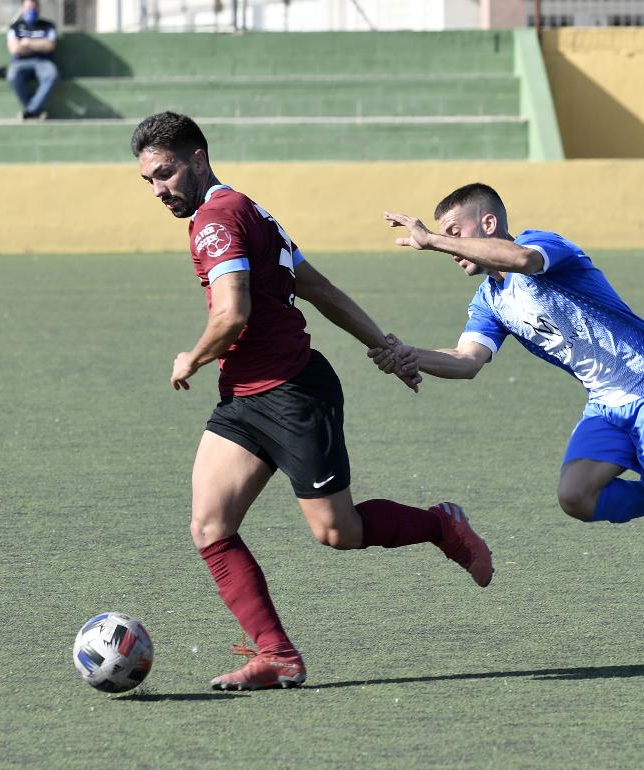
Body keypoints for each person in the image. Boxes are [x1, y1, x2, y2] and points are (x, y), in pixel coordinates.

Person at [130, 112, 494, 691]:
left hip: (295, 394)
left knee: (337, 532)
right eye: (148, 180)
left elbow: (233, 314)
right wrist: (386, 348)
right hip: (245, 398)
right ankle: (276, 655)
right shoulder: (246, 209)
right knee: (210, 525)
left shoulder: (217, 221)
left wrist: (192, 357)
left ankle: (440, 526)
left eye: (166, 173)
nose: (159, 189)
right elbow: (318, 289)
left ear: (198, 157)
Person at [376, 183, 644, 666]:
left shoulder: (545, 246)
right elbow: (467, 359)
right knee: (575, 497)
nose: (445, 243)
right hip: (606, 401)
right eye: (442, 235)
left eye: (455, 231)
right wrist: (412, 356)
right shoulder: (489, 301)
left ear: (488, 224)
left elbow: (520, 260)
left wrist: (432, 240)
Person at [6, 0, 58, 120]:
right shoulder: (15, 27)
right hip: (20, 62)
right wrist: (39, 46)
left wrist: (28, 42)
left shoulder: (47, 26)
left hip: (43, 62)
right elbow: (15, 49)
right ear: (23, 8)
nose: (31, 10)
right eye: (28, 7)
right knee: (12, 76)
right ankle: (36, 111)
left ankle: (31, 111)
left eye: (33, 7)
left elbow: (49, 46)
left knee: (52, 75)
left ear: (39, 8)